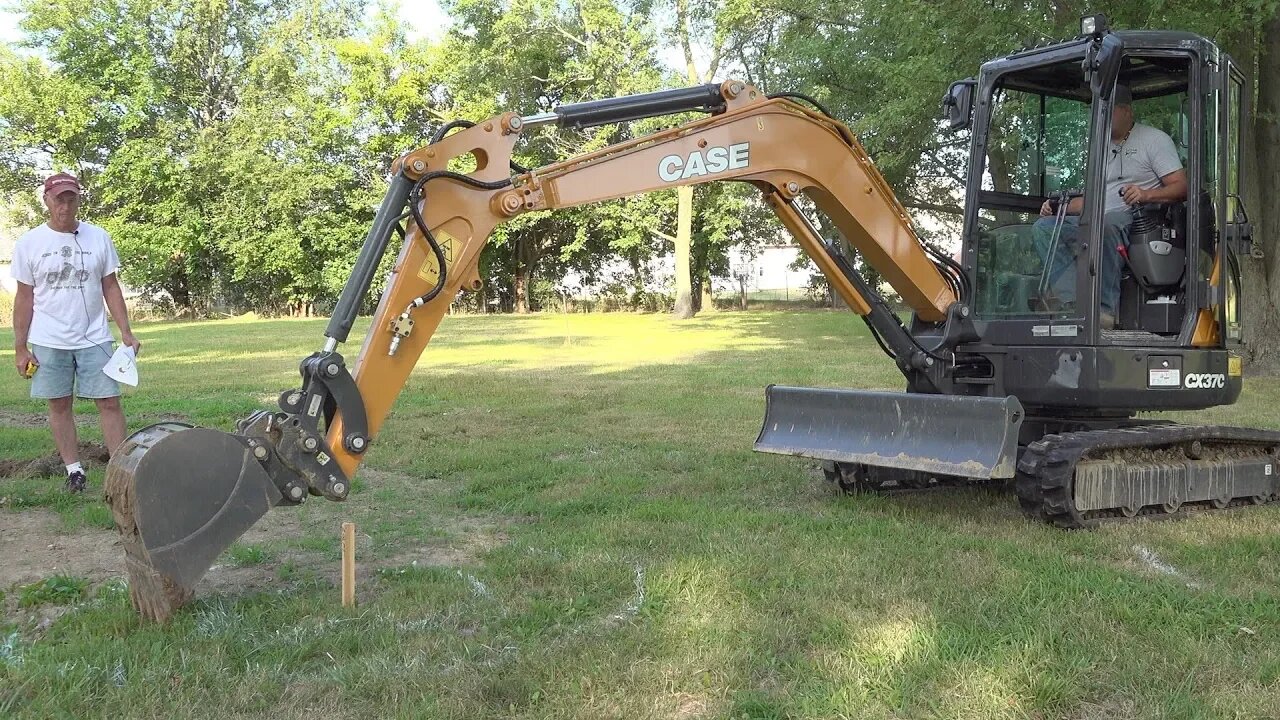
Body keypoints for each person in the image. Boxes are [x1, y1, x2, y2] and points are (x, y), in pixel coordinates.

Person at [10, 172, 141, 493]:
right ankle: (74, 470)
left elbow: (110, 286)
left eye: (71, 198)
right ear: (46, 200)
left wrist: (126, 331)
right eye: (59, 199)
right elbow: (24, 297)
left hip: (95, 337)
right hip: (48, 341)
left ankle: (120, 470)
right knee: (59, 404)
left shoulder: (99, 237)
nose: (65, 206)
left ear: (79, 200)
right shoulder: (29, 243)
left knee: (109, 401)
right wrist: (20, 347)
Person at [1032, 84, 1187, 328]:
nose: (1102, 117)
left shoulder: (1154, 140)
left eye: (1108, 111)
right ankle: (1072, 302)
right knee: (1044, 228)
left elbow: (1181, 187)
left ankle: (1104, 310)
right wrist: (1057, 207)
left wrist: (1145, 194)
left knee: (1108, 224)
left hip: (1139, 217)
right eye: (1099, 112)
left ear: (1126, 111)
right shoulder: (1098, 148)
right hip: (1100, 217)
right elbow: (1093, 200)